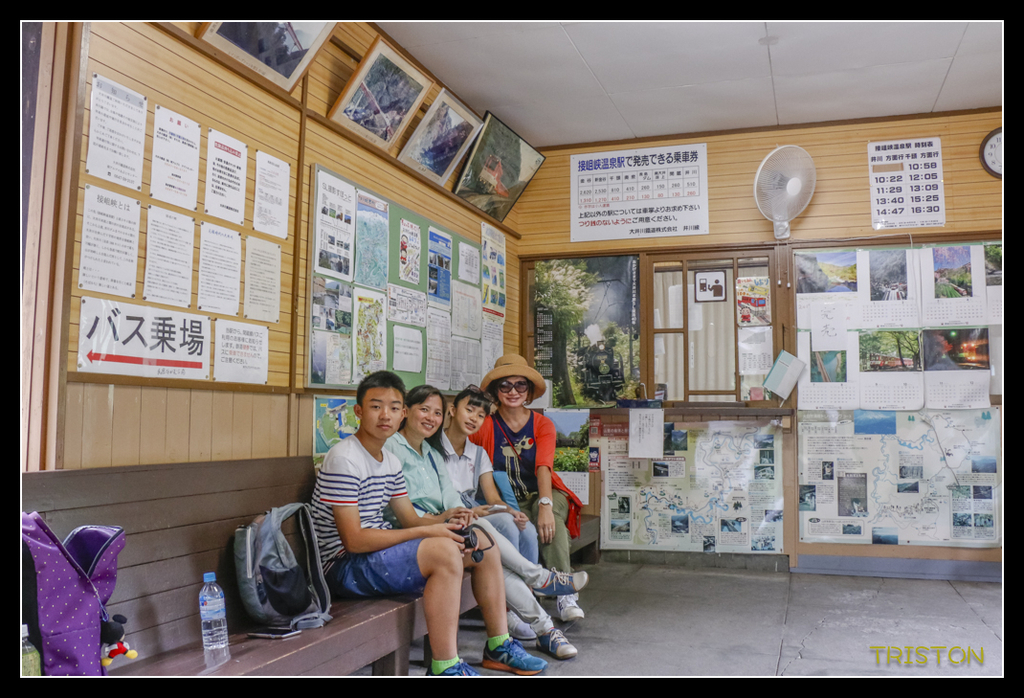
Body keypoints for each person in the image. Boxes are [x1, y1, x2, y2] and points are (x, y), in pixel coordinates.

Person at [311, 371, 543, 676]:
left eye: (394, 407)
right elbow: (353, 541)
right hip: (342, 566)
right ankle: (445, 666)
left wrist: (444, 524)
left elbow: (409, 518)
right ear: (359, 411)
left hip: (373, 555)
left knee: (481, 544)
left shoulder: (389, 461)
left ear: (402, 413)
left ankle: (498, 646)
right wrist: (429, 531)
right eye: (376, 406)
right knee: (444, 553)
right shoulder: (344, 458)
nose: (385, 415)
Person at [440, 385, 586, 659]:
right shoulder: (431, 449)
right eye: (469, 410)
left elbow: (539, 469)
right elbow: (445, 501)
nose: (513, 391)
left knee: (523, 526)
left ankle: (540, 593)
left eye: (479, 414)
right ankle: (540, 588)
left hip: (503, 504)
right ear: (452, 410)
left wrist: (514, 509)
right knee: (501, 535)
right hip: (454, 517)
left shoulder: (531, 428)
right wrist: (479, 511)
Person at [470, 354, 586, 622]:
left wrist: (544, 505)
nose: (513, 391)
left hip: (545, 492)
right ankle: (534, 594)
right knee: (530, 527)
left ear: (529, 390)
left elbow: (544, 467)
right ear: (495, 391)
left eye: (520, 385)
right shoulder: (485, 425)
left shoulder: (542, 424)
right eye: (505, 385)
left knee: (549, 518)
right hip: (507, 498)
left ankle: (565, 594)